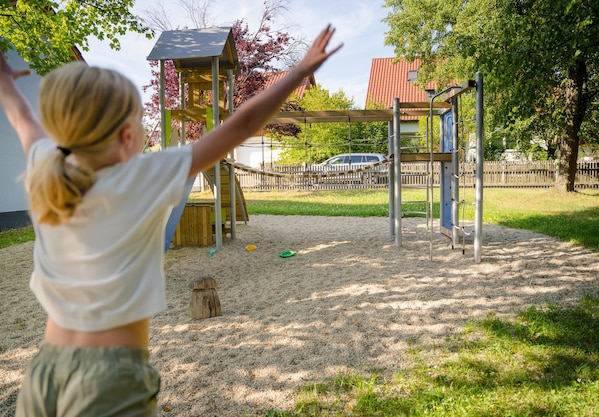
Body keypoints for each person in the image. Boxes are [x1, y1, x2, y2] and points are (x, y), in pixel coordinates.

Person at [0, 25, 342, 417]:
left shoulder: (45, 167)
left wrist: (5, 81)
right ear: (127, 134)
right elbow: (242, 125)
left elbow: (21, 116)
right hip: (110, 380)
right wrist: (297, 74)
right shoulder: (142, 175)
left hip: (45, 371)